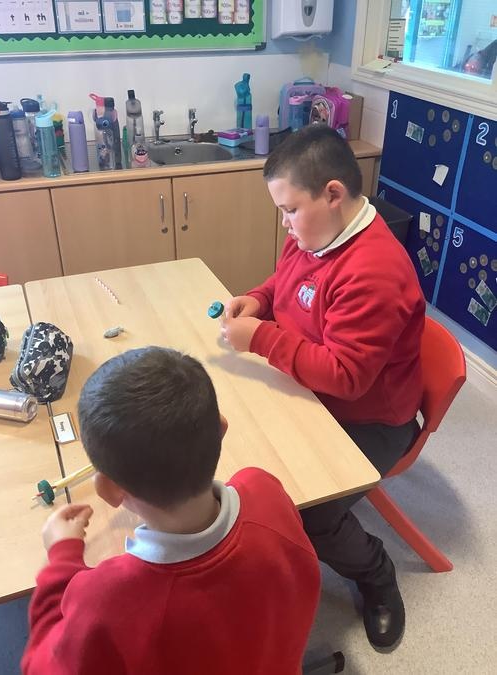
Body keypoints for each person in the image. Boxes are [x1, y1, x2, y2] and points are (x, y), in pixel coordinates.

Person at [221, 124, 425, 651]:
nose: (285, 224)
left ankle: (377, 574)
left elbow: (347, 377)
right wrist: (260, 300)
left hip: (371, 419)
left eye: (290, 209)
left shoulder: (373, 270)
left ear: (333, 194)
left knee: (311, 513)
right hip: (315, 390)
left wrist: (260, 337)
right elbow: (286, 281)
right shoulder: (316, 233)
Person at [22, 347, 321, 675]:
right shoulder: (264, 489)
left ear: (108, 491)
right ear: (221, 429)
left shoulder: (106, 600)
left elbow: (42, 667)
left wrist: (61, 561)